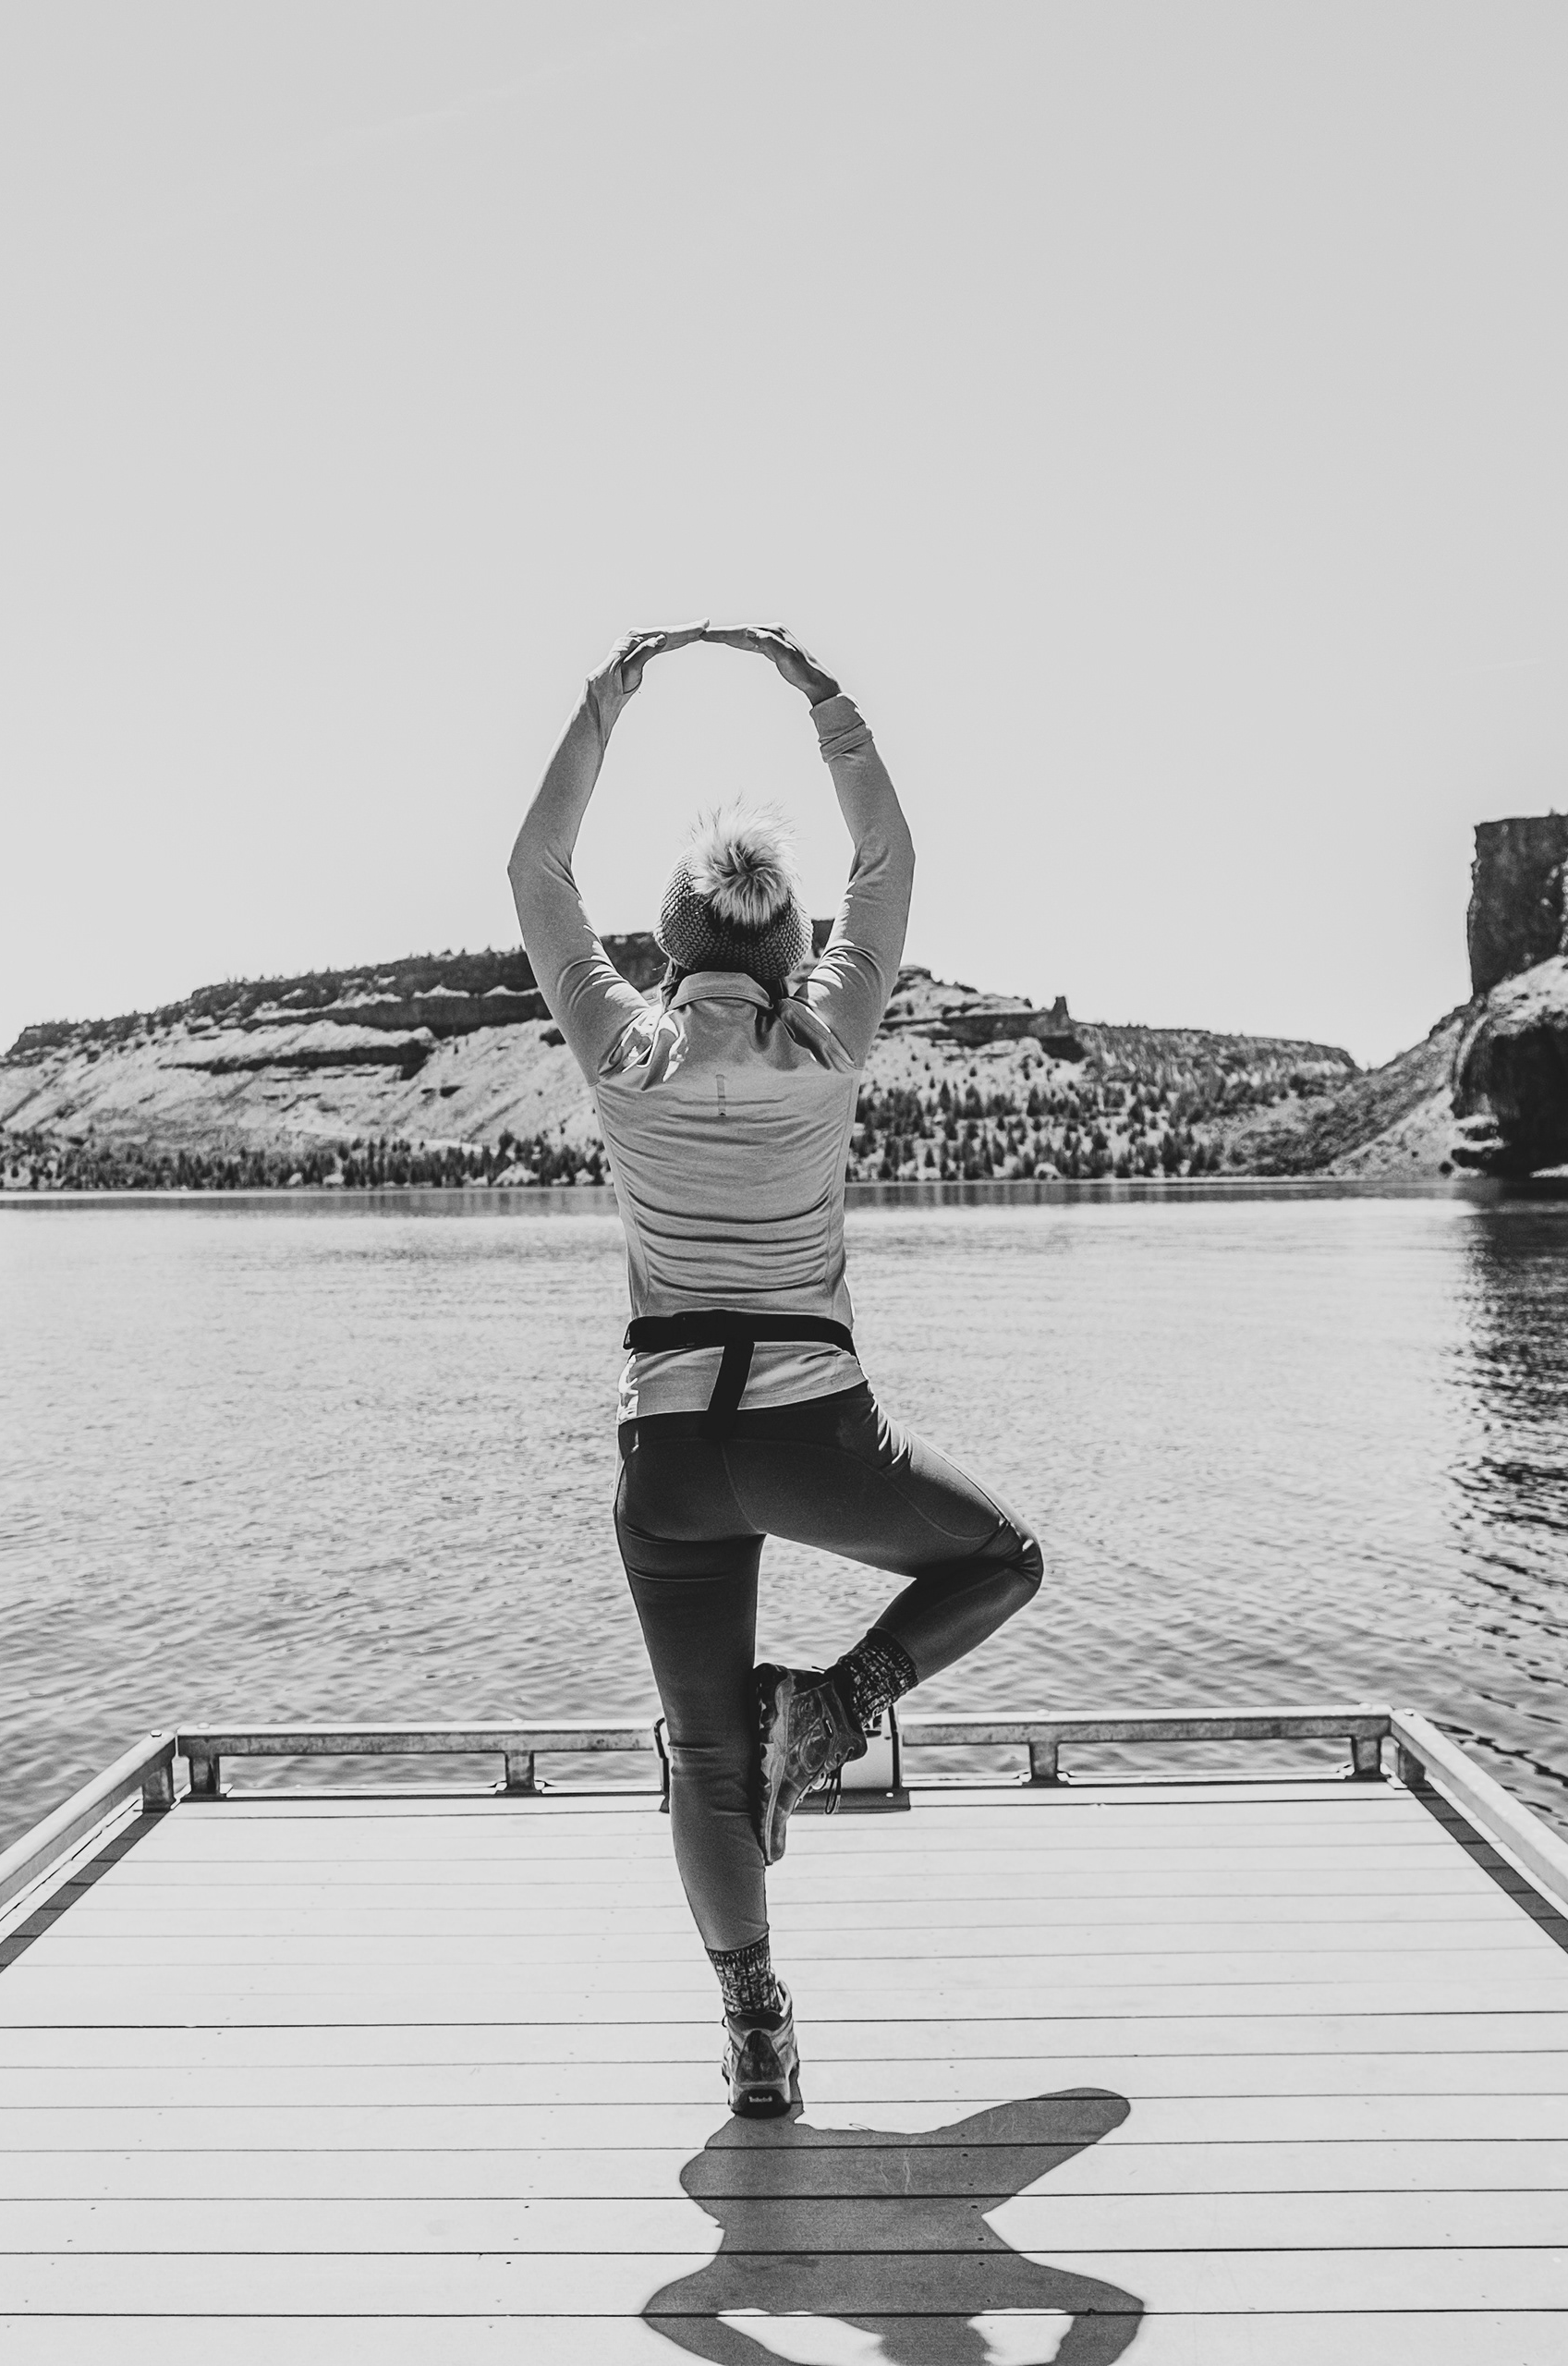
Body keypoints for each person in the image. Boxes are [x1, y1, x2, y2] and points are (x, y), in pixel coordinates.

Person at [508, 623, 1049, 2120]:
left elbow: (537, 873)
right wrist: (830, 703)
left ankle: (756, 2031)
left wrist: (605, 700)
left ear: (665, 955)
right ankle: (832, 1705)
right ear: (791, 957)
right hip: (817, 1434)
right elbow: (888, 859)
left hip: (671, 1456)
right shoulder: (829, 1040)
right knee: (1004, 1559)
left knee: (703, 1757)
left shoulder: (623, 1049)